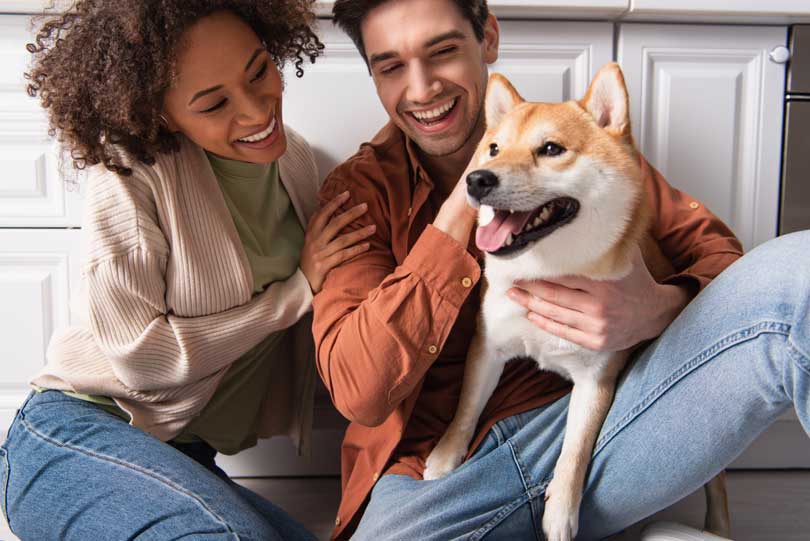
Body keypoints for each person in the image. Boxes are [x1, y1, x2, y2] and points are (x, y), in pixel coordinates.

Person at [311, 0, 810, 539]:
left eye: (444, 52)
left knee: (798, 272)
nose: (423, 88)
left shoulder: (590, 152)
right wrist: (464, 205)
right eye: (391, 67)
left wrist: (657, 307)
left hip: (609, 423)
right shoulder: (359, 194)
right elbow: (360, 392)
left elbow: (727, 268)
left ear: (488, 39)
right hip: (446, 468)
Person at [0, 1, 374, 539]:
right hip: (74, 434)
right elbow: (141, 359)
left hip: (182, 459)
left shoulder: (299, 165)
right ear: (159, 113)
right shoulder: (130, 175)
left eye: (258, 69)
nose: (255, 111)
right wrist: (293, 294)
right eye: (214, 103)